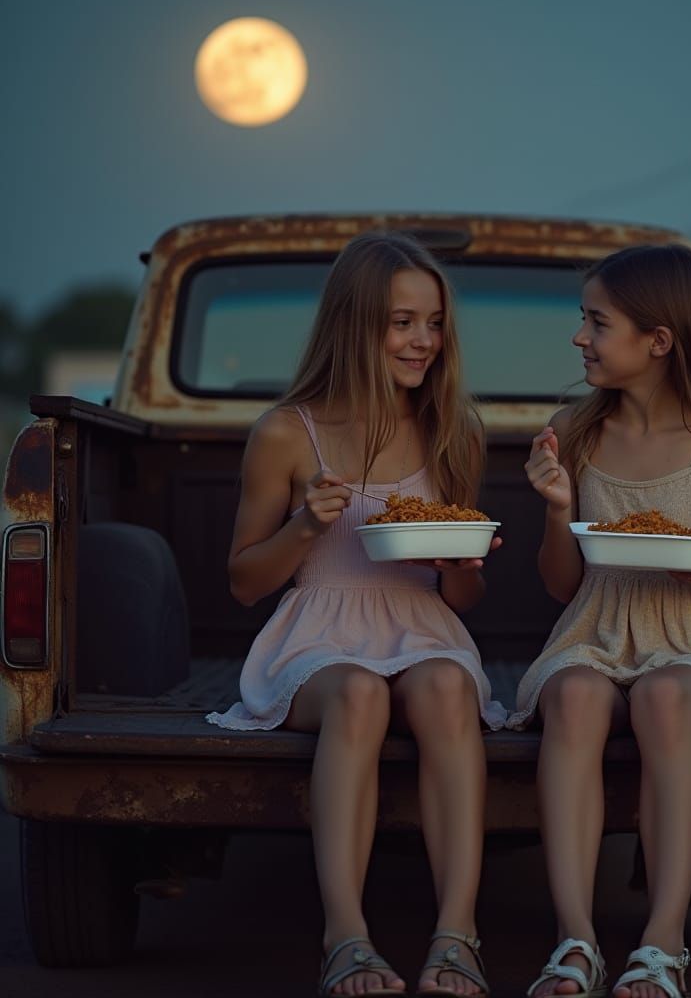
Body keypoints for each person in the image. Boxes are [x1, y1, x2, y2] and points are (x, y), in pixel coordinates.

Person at [208, 231, 504, 998]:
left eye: (433, 323)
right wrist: (305, 526)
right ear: (354, 322)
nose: (423, 342)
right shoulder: (287, 431)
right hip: (318, 634)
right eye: (401, 322)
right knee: (362, 692)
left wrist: (458, 568)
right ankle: (346, 936)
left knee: (444, 688)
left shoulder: (451, 429)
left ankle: (456, 933)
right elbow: (244, 582)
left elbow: (462, 598)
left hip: (423, 624)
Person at [508, 244, 691, 998]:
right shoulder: (573, 430)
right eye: (584, 320)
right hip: (594, 631)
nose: (580, 337)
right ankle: (575, 941)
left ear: (659, 341)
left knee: (662, 696)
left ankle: (663, 943)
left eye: (597, 322)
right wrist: (557, 509)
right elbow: (560, 583)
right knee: (574, 696)